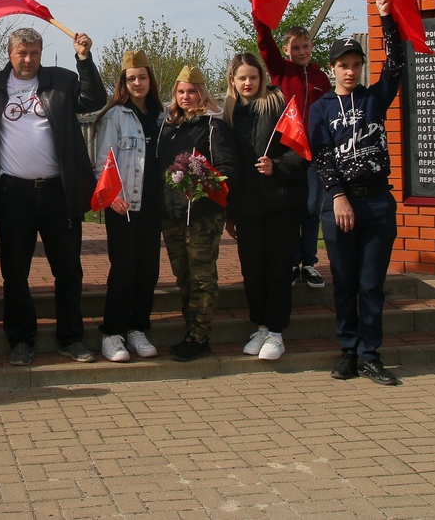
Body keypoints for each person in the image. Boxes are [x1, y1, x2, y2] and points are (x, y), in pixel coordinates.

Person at [0, 27, 107, 366]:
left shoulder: (61, 81)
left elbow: (94, 101)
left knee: (68, 270)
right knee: (15, 271)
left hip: (58, 192)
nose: (28, 59)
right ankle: (20, 339)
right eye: (22, 53)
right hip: (12, 193)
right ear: (10, 54)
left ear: (41, 53)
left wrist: (84, 60)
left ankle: (71, 338)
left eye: (34, 52)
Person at [308, 0, 406, 386]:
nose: (350, 71)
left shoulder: (374, 99)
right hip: (340, 206)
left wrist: (387, 18)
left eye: (356, 64)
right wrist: (338, 198)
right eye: (343, 65)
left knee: (371, 284)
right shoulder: (322, 108)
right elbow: (323, 157)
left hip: (377, 203)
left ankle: (370, 354)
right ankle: (347, 351)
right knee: (345, 283)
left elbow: (397, 66)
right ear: (332, 68)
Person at [223, 53, 309, 362]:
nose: (248, 83)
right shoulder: (229, 116)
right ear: (232, 81)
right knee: (253, 271)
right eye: (242, 78)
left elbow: (300, 152)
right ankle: (259, 326)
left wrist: (278, 166)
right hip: (247, 210)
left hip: (279, 205)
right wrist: (230, 213)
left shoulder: (279, 107)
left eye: (253, 77)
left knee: (276, 270)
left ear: (261, 79)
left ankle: (276, 331)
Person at [249, 0, 332, 289]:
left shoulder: (322, 78)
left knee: (311, 209)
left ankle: (308, 262)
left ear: (312, 47)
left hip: (315, 155)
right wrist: (258, 9)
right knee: (289, 210)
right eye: (295, 47)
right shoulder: (280, 72)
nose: (301, 52)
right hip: (286, 153)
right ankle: (290, 262)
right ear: (287, 50)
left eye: (305, 46)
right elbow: (264, 44)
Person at [157, 66, 239, 362]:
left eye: (192, 91)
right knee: (183, 275)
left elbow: (227, 171)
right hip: (172, 212)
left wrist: (201, 180)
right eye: (181, 92)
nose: (186, 97)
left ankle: (200, 335)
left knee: (202, 275)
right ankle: (190, 328)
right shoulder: (166, 127)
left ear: (202, 93)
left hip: (203, 214)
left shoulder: (213, 126)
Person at [91, 50, 163, 362]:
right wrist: (111, 195)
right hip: (123, 205)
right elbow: (102, 163)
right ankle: (112, 333)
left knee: (148, 270)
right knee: (124, 269)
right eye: (131, 78)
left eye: (142, 77)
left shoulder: (162, 115)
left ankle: (137, 328)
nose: (137, 83)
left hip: (153, 205)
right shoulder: (114, 116)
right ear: (123, 81)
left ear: (150, 80)